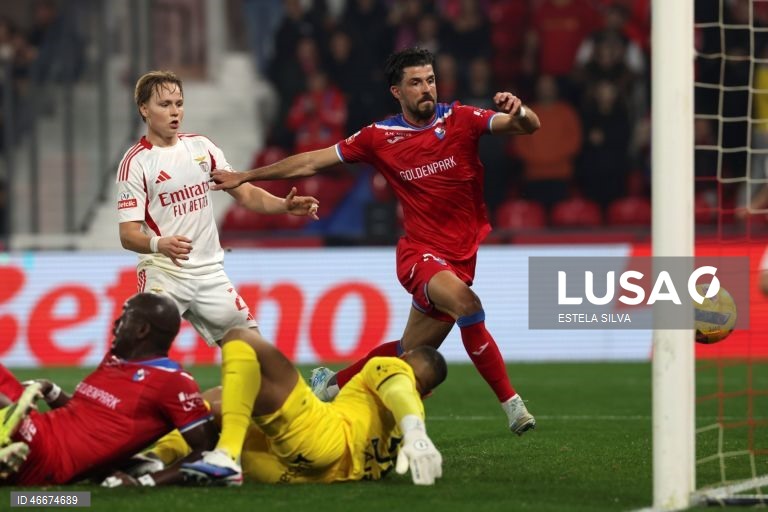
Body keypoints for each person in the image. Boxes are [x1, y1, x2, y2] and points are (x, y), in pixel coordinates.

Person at [210, 47, 541, 434]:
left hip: (462, 256)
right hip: (420, 254)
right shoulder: (379, 137)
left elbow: (527, 126)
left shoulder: (462, 119)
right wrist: (247, 175)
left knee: (409, 353)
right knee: (468, 305)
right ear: (397, 92)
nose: (426, 89)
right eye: (416, 83)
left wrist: (519, 110)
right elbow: (312, 161)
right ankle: (513, 407)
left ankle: (330, 385)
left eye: (430, 80)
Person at [116, 70, 320, 347]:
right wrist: (158, 244)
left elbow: (246, 194)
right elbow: (127, 235)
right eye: (165, 105)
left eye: (179, 103)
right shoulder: (136, 163)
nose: (175, 111)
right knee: (140, 351)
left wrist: (282, 206)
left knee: (256, 356)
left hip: (210, 274)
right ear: (144, 109)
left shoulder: (202, 148)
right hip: (164, 273)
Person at [135, 326, 445, 486]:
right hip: (303, 475)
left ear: (401, 360)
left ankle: (223, 456)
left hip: (324, 436)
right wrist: (415, 430)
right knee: (224, 401)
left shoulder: (391, 368)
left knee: (239, 338)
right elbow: (404, 397)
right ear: (427, 395)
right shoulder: (404, 422)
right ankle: (153, 462)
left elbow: (399, 387)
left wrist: (416, 431)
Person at [0, 293, 217, 485]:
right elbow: (83, 417)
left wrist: (145, 482)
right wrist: (51, 390)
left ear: (142, 330)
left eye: (124, 318)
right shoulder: (114, 360)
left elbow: (207, 450)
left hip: (46, 459)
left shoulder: (172, 381)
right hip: (37, 427)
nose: (115, 324)